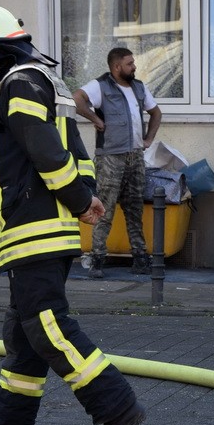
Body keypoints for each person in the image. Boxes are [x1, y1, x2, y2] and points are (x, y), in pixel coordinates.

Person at [0, 4, 145, 425]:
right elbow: (71, 146)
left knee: (47, 325)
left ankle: (116, 405)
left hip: (32, 228)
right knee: (23, 333)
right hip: (43, 229)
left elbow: (43, 151)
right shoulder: (41, 81)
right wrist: (88, 194)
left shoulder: (16, 84)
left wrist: (80, 200)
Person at [73, 47, 163, 279]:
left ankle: (140, 258)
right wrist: (95, 119)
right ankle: (97, 259)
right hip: (110, 157)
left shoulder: (139, 86)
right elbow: (77, 99)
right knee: (105, 208)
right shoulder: (101, 85)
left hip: (135, 155)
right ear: (116, 67)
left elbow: (156, 113)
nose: (134, 67)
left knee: (134, 208)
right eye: (130, 63)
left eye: (133, 62)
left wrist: (149, 139)